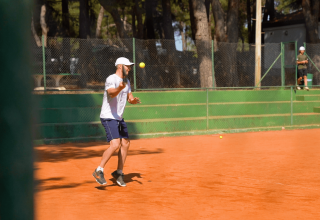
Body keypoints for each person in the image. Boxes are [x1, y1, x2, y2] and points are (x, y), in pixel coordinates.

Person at [93, 57, 141, 187]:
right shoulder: (111, 79)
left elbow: (129, 97)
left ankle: (119, 172)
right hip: (108, 116)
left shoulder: (127, 81)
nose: (129, 68)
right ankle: (99, 170)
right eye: (127, 66)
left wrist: (133, 100)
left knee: (125, 143)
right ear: (120, 66)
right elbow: (111, 94)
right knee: (115, 144)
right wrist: (119, 88)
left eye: (130, 66)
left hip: (119, 117)